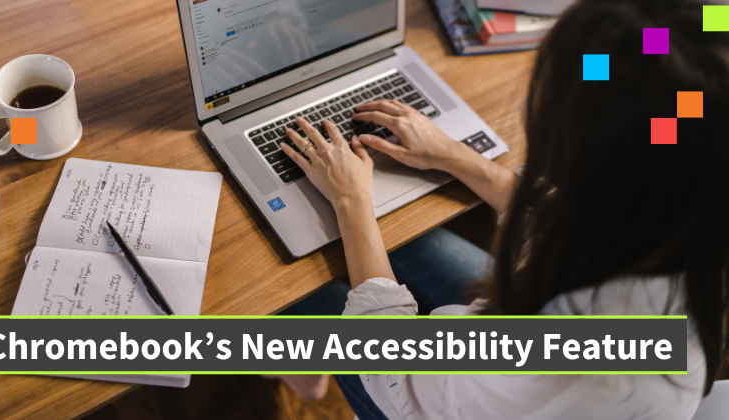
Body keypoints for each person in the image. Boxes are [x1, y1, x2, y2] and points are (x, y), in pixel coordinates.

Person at [269, 0, 729, 418]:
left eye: (549, 81)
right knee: (408, 234)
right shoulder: (682, 208)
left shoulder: (578, 373)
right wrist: (452, 154)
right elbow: (569, 212)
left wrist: (352, 202)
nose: (530, 99)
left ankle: (309, 389)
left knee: (305, 295)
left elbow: (400, 379)